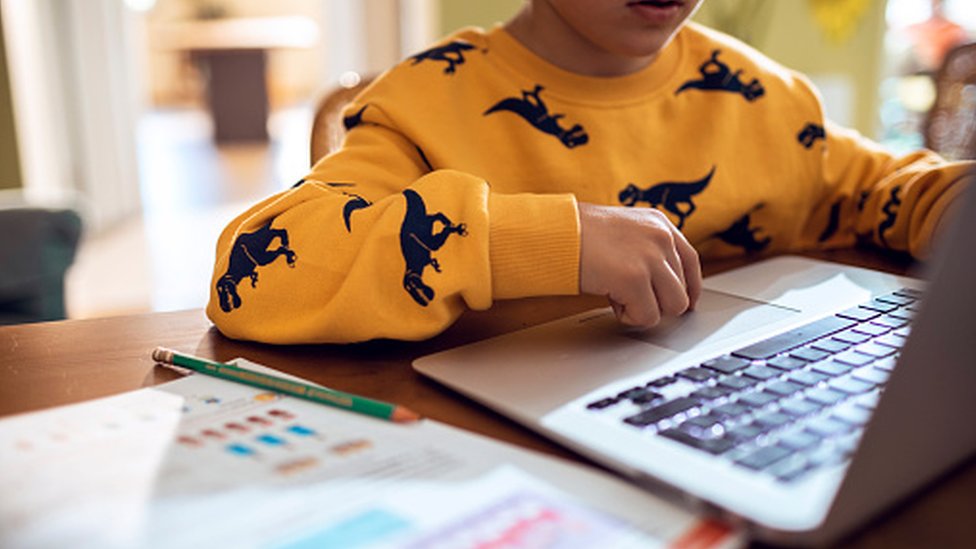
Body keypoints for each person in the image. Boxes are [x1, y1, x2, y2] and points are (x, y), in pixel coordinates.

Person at [207, 0, 972, 344]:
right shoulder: (423, 103)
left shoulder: (768, 99)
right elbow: (261, 268)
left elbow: (890, 187)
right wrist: (553, 240)